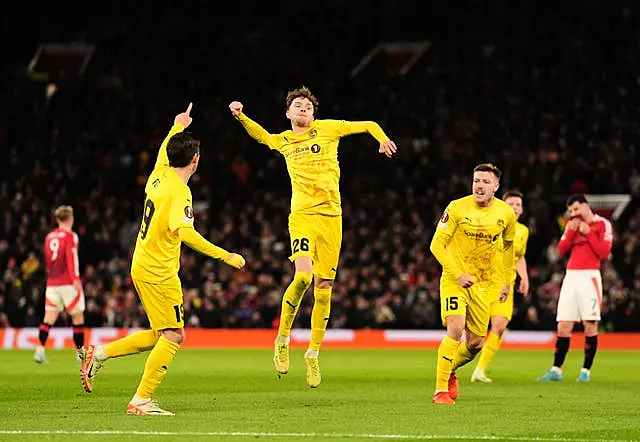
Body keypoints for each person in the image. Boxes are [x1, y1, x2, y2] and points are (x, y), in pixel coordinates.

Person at [79, 104, 246, 415]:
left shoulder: (158, 173)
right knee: (173, 334)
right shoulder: (180, 192)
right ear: (195, 160)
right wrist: (226, 256)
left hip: (141, 263)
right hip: (159, 271)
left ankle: (97, 353)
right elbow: (187, 233)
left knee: (160, 332)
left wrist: (176, 125)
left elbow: (163, 149)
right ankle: (141, 399)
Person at [229, 87, 397, 387]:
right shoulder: (284, 140)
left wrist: (382, 139)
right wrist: (241, 116)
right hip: (303, 217)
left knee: (324, 288)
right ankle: (282, 338)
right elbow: (262, 136)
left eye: (308, 105)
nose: (304, 108)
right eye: (298, 105)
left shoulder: (329, 128)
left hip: (332, 219)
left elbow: (369, 124)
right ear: (288, 113)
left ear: (313, 112)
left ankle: (313, 355)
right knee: (304, 277)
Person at [429, 163, 516, 405]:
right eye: (476, 180)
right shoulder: (457, 207)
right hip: (454, 279)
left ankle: (451, 370)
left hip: (482, 285)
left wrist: (507, 282)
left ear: (496, 187)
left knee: (476, 343)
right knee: (455, 330)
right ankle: (440, 392)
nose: (479, 185)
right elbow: (436, 245)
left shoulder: (505, 214)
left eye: (486, 182)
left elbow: (508, 249)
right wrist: (457, 274)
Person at [538, 194, 613, 383]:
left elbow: (603, 252)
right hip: (571, 276)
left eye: (576, 209)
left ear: (586, 207)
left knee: (590, 324)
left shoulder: (602, 224)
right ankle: (557, 369)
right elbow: (561, 250)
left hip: (590, 277)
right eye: (571, 210)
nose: (573, 213)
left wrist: (588, 233)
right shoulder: (572, 224)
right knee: (563, 325)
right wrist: (571, 231)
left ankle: (585, 371)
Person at [471, 190, 530, 382]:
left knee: (499, 325)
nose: (515, 208)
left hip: (505, 286)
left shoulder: (523, 231)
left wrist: (524, 278)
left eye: (518, 205)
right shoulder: (490, 223)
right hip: (482, 282)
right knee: (473, 334)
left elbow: (519, 256)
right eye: (511, 204)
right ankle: (452, 364)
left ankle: (480, 370)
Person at [36, 205, 84, 364]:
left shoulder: (49, 237)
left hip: (52, 282)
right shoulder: (71, 236)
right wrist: (75, 279)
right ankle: (80, 354)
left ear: (57, 219)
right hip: (68, 282)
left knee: (48, 318)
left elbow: (49, 261)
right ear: (71, 218)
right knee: (77, 316)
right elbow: (72, 258)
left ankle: (40, 350)